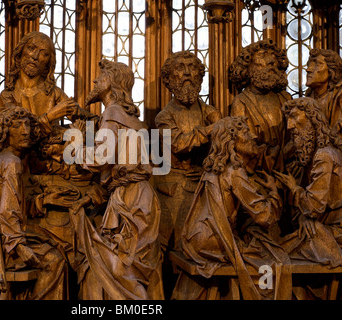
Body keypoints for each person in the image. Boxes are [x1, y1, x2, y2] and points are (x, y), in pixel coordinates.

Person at [69, 59, 164, 300]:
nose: (94, 81)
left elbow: (102, 157)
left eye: (100, 78)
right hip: (140, 197)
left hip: (130, 199)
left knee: (118, 268)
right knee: (128, 267)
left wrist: (76, 146)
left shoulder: (112, 113)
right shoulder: (130, 118)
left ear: (111, 83)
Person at [172, 116, 290, 300]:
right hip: (213, 243)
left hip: (197, 239)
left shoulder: (216, 168)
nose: (253, 137)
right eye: (245, 132)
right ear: (231, 141)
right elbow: (264, 217)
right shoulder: (235, 172)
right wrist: (275, 193)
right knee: (274, 257)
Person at [0, 107, 70, 300]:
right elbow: (7, 211)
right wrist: (19, 246)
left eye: (27, 124)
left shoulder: (3, 159)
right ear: (4, 131)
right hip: (2, 244)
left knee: (53, 244)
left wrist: (43, 200)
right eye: (17, 126)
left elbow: (10, 202)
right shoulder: (12, 163)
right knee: (56, 260)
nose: (25, 130)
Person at [154, 50, 222, 248]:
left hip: (204, 184)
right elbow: (178, 144)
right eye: (180, 68)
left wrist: (207, 169)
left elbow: (222, 150)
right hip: (173, 188)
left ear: (199, 77)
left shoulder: (210, 112)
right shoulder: (164, 117)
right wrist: (211, 129)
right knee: (176, 245)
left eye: (192, 68)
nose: (186, 74)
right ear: (168, 78)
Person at [274, 97, 342, 268]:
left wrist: (293, 187)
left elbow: (313, 206)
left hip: (335, 234)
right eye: (288, 119)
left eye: (295, 117)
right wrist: (306, 218)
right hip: (324, 227)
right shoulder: (312, 156)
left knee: (275, 256)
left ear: (313, 118)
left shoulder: (324, 155)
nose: (290, 126)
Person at [229, 39, 291, 172]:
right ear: (248, 69)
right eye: (262, 62)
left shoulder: (285, 98)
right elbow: (243, 145)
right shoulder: (241, 102)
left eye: (273, 63)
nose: (270, 65)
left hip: (288, 166)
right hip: (258, 170)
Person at [305, 49, 342, 135]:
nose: (308, 69)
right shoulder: (308, 97)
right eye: (309, 64)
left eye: (317, 64)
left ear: (331, 71)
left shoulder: (339, 97)